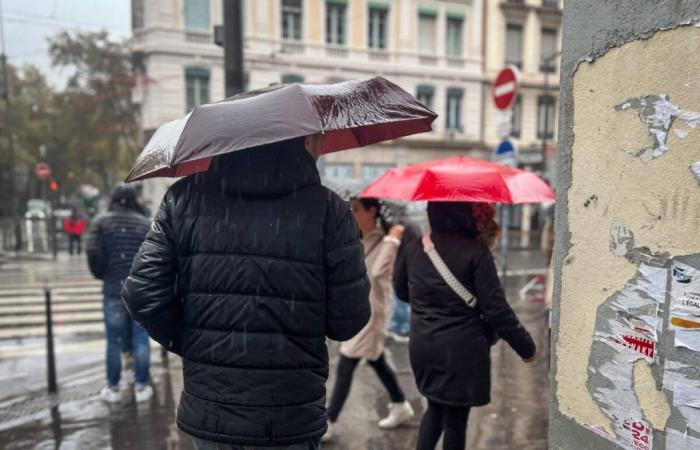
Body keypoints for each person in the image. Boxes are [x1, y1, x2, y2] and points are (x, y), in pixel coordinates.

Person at [121, 135, 371, 450]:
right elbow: (348, 320)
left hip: (211, 412)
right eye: (317, 138)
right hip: (290, 415)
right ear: (302, 141)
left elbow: (142, 293)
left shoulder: (184, 198)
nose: (320, 144)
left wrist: (192, 340)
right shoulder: (330, 210)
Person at [394, 202, 536, 450]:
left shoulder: (415, 247)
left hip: (423, 345)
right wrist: (526, 347)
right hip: (462, 350)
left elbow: (402, 291)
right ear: (463, 214)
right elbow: (496, 310)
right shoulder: (475, 252)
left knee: (434, 409)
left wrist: (430, 304)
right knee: (456, 421)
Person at [323, 197, 414, 442]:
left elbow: (377, 271)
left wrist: (393, 239)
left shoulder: (386, 240)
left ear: (372, 211)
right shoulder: (357, 237)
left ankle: (329, 421)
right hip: (359, 310)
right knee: (376, 360)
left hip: (374, 314)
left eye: (357, 209)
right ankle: (400, 404)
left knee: (347, 362)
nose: (352, 214)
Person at [86, 184, 153, 403]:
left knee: (113, 340)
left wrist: (102, 274)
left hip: (113, 289)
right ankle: (142, 386)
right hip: (139, 291)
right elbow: (154, 257)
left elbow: (93, 251)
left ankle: (113, 388)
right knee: (141, 338)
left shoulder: (101, 222)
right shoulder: (145, 224)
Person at [386, 222, 421, 342]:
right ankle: (402, 327)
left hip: (400, 285)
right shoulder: (417, 248)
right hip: (410, 285)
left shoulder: (401, 248)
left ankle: (400, 327)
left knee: (400, 306)